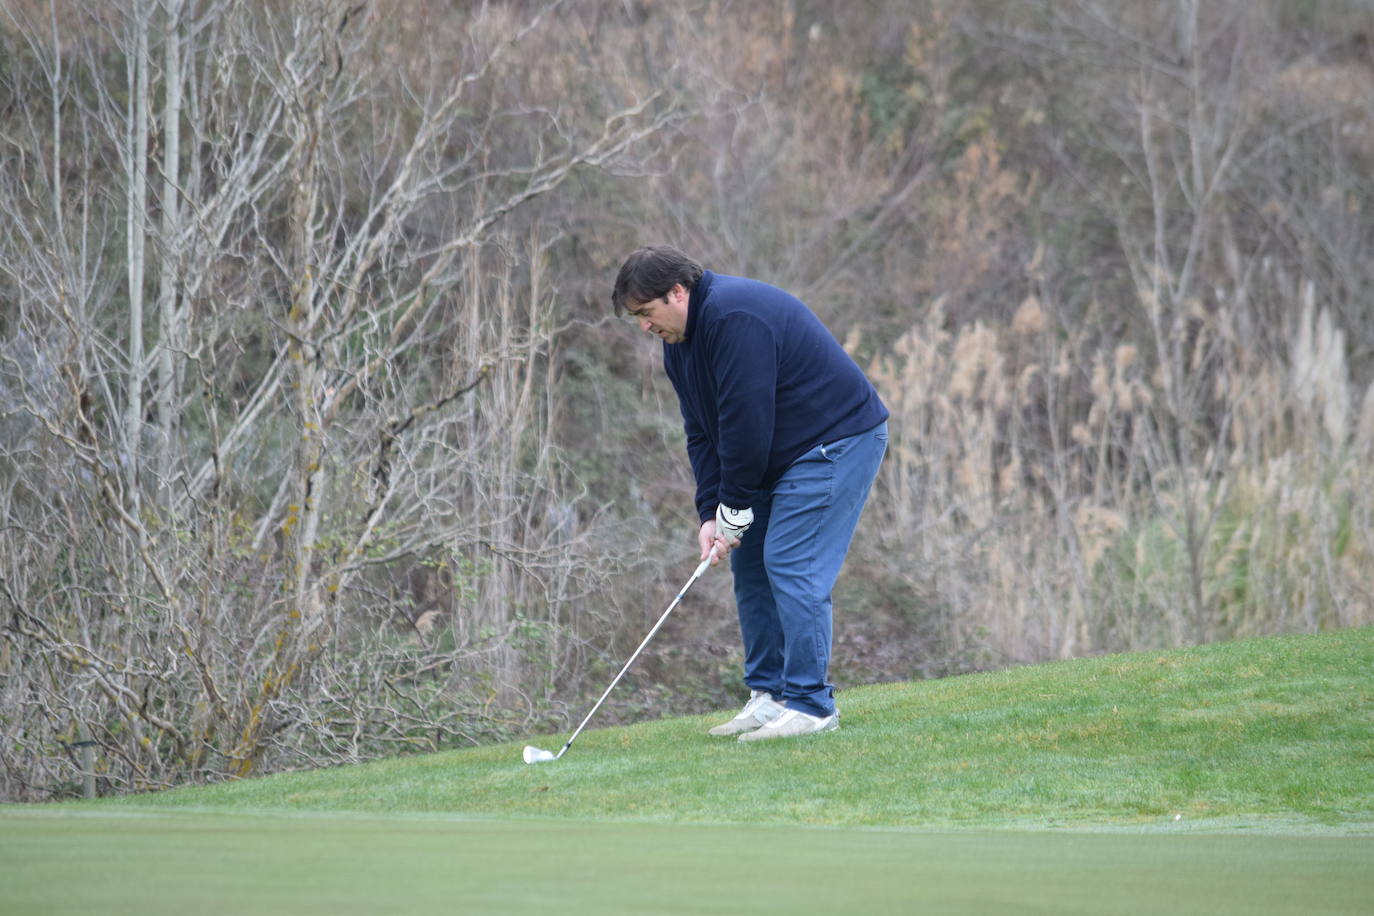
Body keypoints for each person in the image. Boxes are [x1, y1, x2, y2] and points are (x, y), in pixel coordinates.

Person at [612, 246, 888, 741]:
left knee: (790, 561)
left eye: (646, 314)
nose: (644, 328)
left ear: (678, 292)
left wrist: (734, 505)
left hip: (836, 441)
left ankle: (811, 705)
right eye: (636, 319)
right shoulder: (679, 346)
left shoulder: (734, 318)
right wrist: (710, 514)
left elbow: (747, 424)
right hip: (779, 454)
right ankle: (771, 696)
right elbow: (703, 432)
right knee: (752, 566)